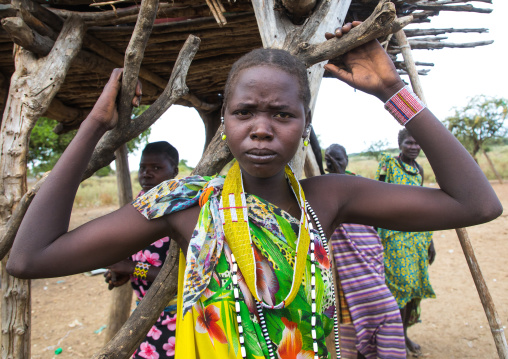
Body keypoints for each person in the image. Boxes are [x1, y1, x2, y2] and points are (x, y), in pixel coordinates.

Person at [7, 22, 502, 359]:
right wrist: (95, 124)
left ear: (305, 126)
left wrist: (392, 91)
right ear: (225, 123)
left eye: (282, 114)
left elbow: (476, 204)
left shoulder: (329, 199)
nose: (262, 129)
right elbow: (30, 259)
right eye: (244, 112)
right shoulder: (184, 205)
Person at [325, 144, 406, 359]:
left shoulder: (356, 183)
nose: (334, 164)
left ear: (347, 161)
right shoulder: (322, 188)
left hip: (369, 251)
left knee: (385, 307)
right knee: (349, 319)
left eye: (339, 160)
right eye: (330, 160)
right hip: (346, 264)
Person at [104, 141, 180, 358]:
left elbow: (176, 278)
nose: (147, 174)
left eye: (156, 168)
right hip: (144, 315)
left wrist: (131, 268)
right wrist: (122, 273)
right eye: (143, 167)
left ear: (173, 172)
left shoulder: (180, 211)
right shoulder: (137, 207)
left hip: (175, 318)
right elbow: (132, 258)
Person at [375, 129, 437, 356]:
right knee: (398, 286)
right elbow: (376, 195)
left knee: (414, 287)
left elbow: (421, 203)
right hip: (394, 236)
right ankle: (394, 337)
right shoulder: (388, 164)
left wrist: (430, 242)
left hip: (417, 236)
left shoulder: (418, 169)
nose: (414, 147)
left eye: (418, 143)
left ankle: (404, 334)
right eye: (409, 143)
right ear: (400, 144)